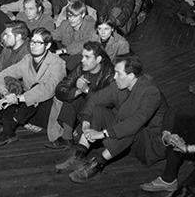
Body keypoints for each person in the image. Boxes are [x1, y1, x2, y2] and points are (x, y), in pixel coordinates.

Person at [56, 54, 168, 183]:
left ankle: (98, 164)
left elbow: (136, 121)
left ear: (131, 76)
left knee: (130, 127)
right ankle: (79, 155)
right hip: (124, 140)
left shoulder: (150, 92)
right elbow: (95, 98)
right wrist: (86, 123)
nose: (114, 77)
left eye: (118, 73)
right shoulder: (121, 84)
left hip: (149, 143)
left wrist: (102, 133)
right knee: (98, 109)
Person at [0, 27, 65, 146]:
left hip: (46, 110)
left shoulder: (58, 63)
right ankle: (8, 132)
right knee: (10, 83)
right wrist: (6, 93)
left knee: (37, 87)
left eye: (38, 43)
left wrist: (18, 98)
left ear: (48, 45)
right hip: (27, 112)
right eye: (32, 42)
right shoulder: (27, 60)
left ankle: (9, 127)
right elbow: (0, 75)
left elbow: (48, 90)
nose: (33, 46)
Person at [47, 41, 114, 150]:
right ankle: (67, 138)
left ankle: (83, 139)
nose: (82, 60)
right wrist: (77, 91)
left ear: (98, 60)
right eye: (83, 56)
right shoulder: (81, 68)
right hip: (85, 108)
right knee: (72, 96)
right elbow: (60, 88)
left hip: (102, 115)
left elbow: (109, 101)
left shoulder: (109, 73)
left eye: (87, 57)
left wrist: (86, 90)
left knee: (93, 106)